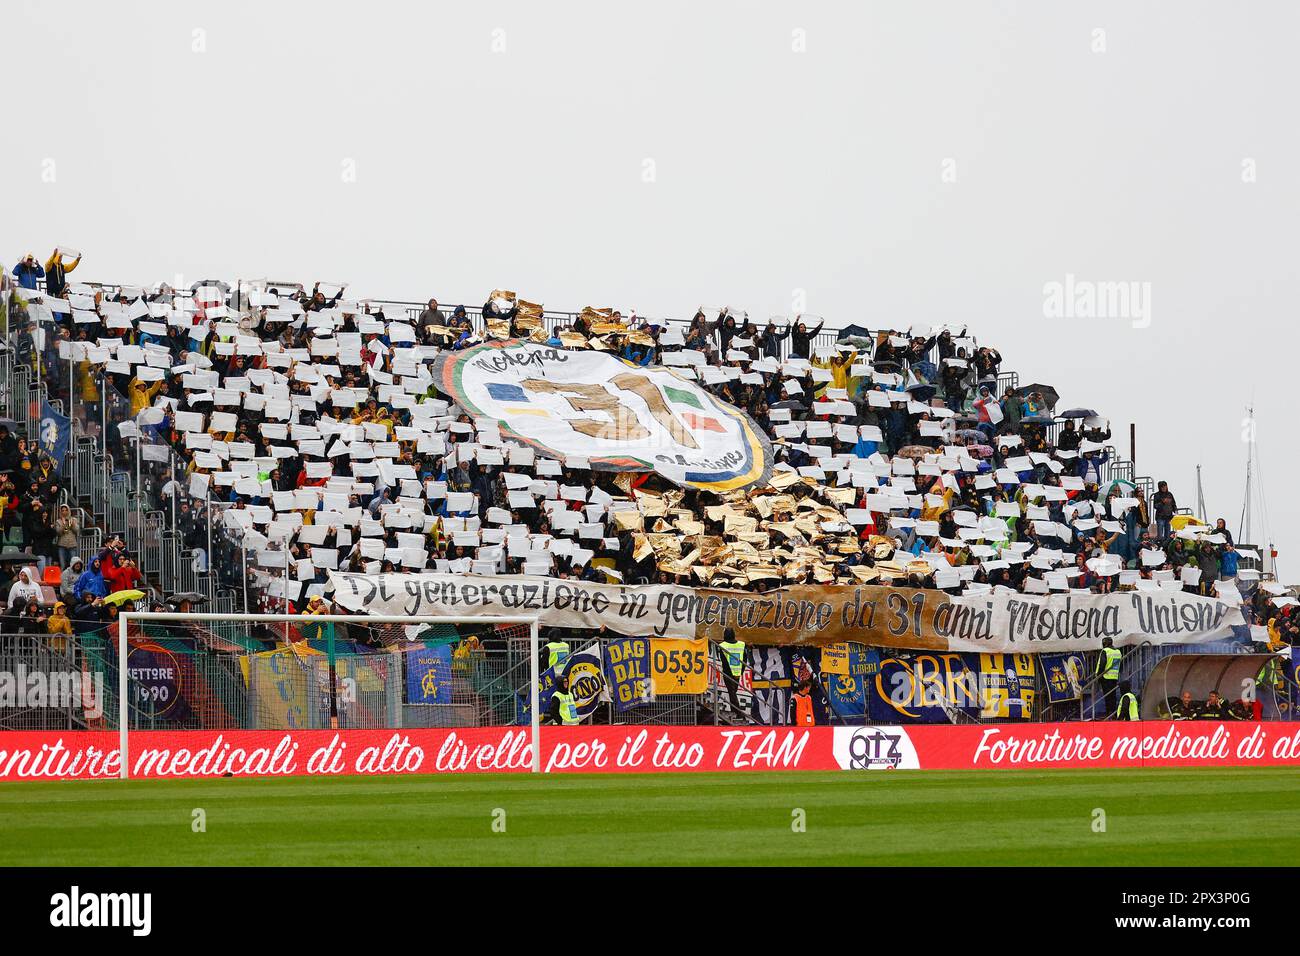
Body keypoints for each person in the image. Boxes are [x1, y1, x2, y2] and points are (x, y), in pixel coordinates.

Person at [718, 627, 747, 720]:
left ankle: (739, 713)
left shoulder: (723, 645)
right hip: (738, 673)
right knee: (733, 693)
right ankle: (735, 712)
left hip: (728, 673)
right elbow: (744, 660)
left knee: (732, 693)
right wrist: (740, 672)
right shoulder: (741, 645)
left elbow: (724, 661)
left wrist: (728, 673)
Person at [1094, 637, 1121, 718]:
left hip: (1106, 677)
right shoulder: (1118, 652)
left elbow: (1102, 664)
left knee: (1107, 697)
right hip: (1114, 677)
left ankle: (1109, 713)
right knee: (1113, 696)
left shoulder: (1105, 651)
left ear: (1105, 643)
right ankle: (1113, 712)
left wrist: (1099, 676)